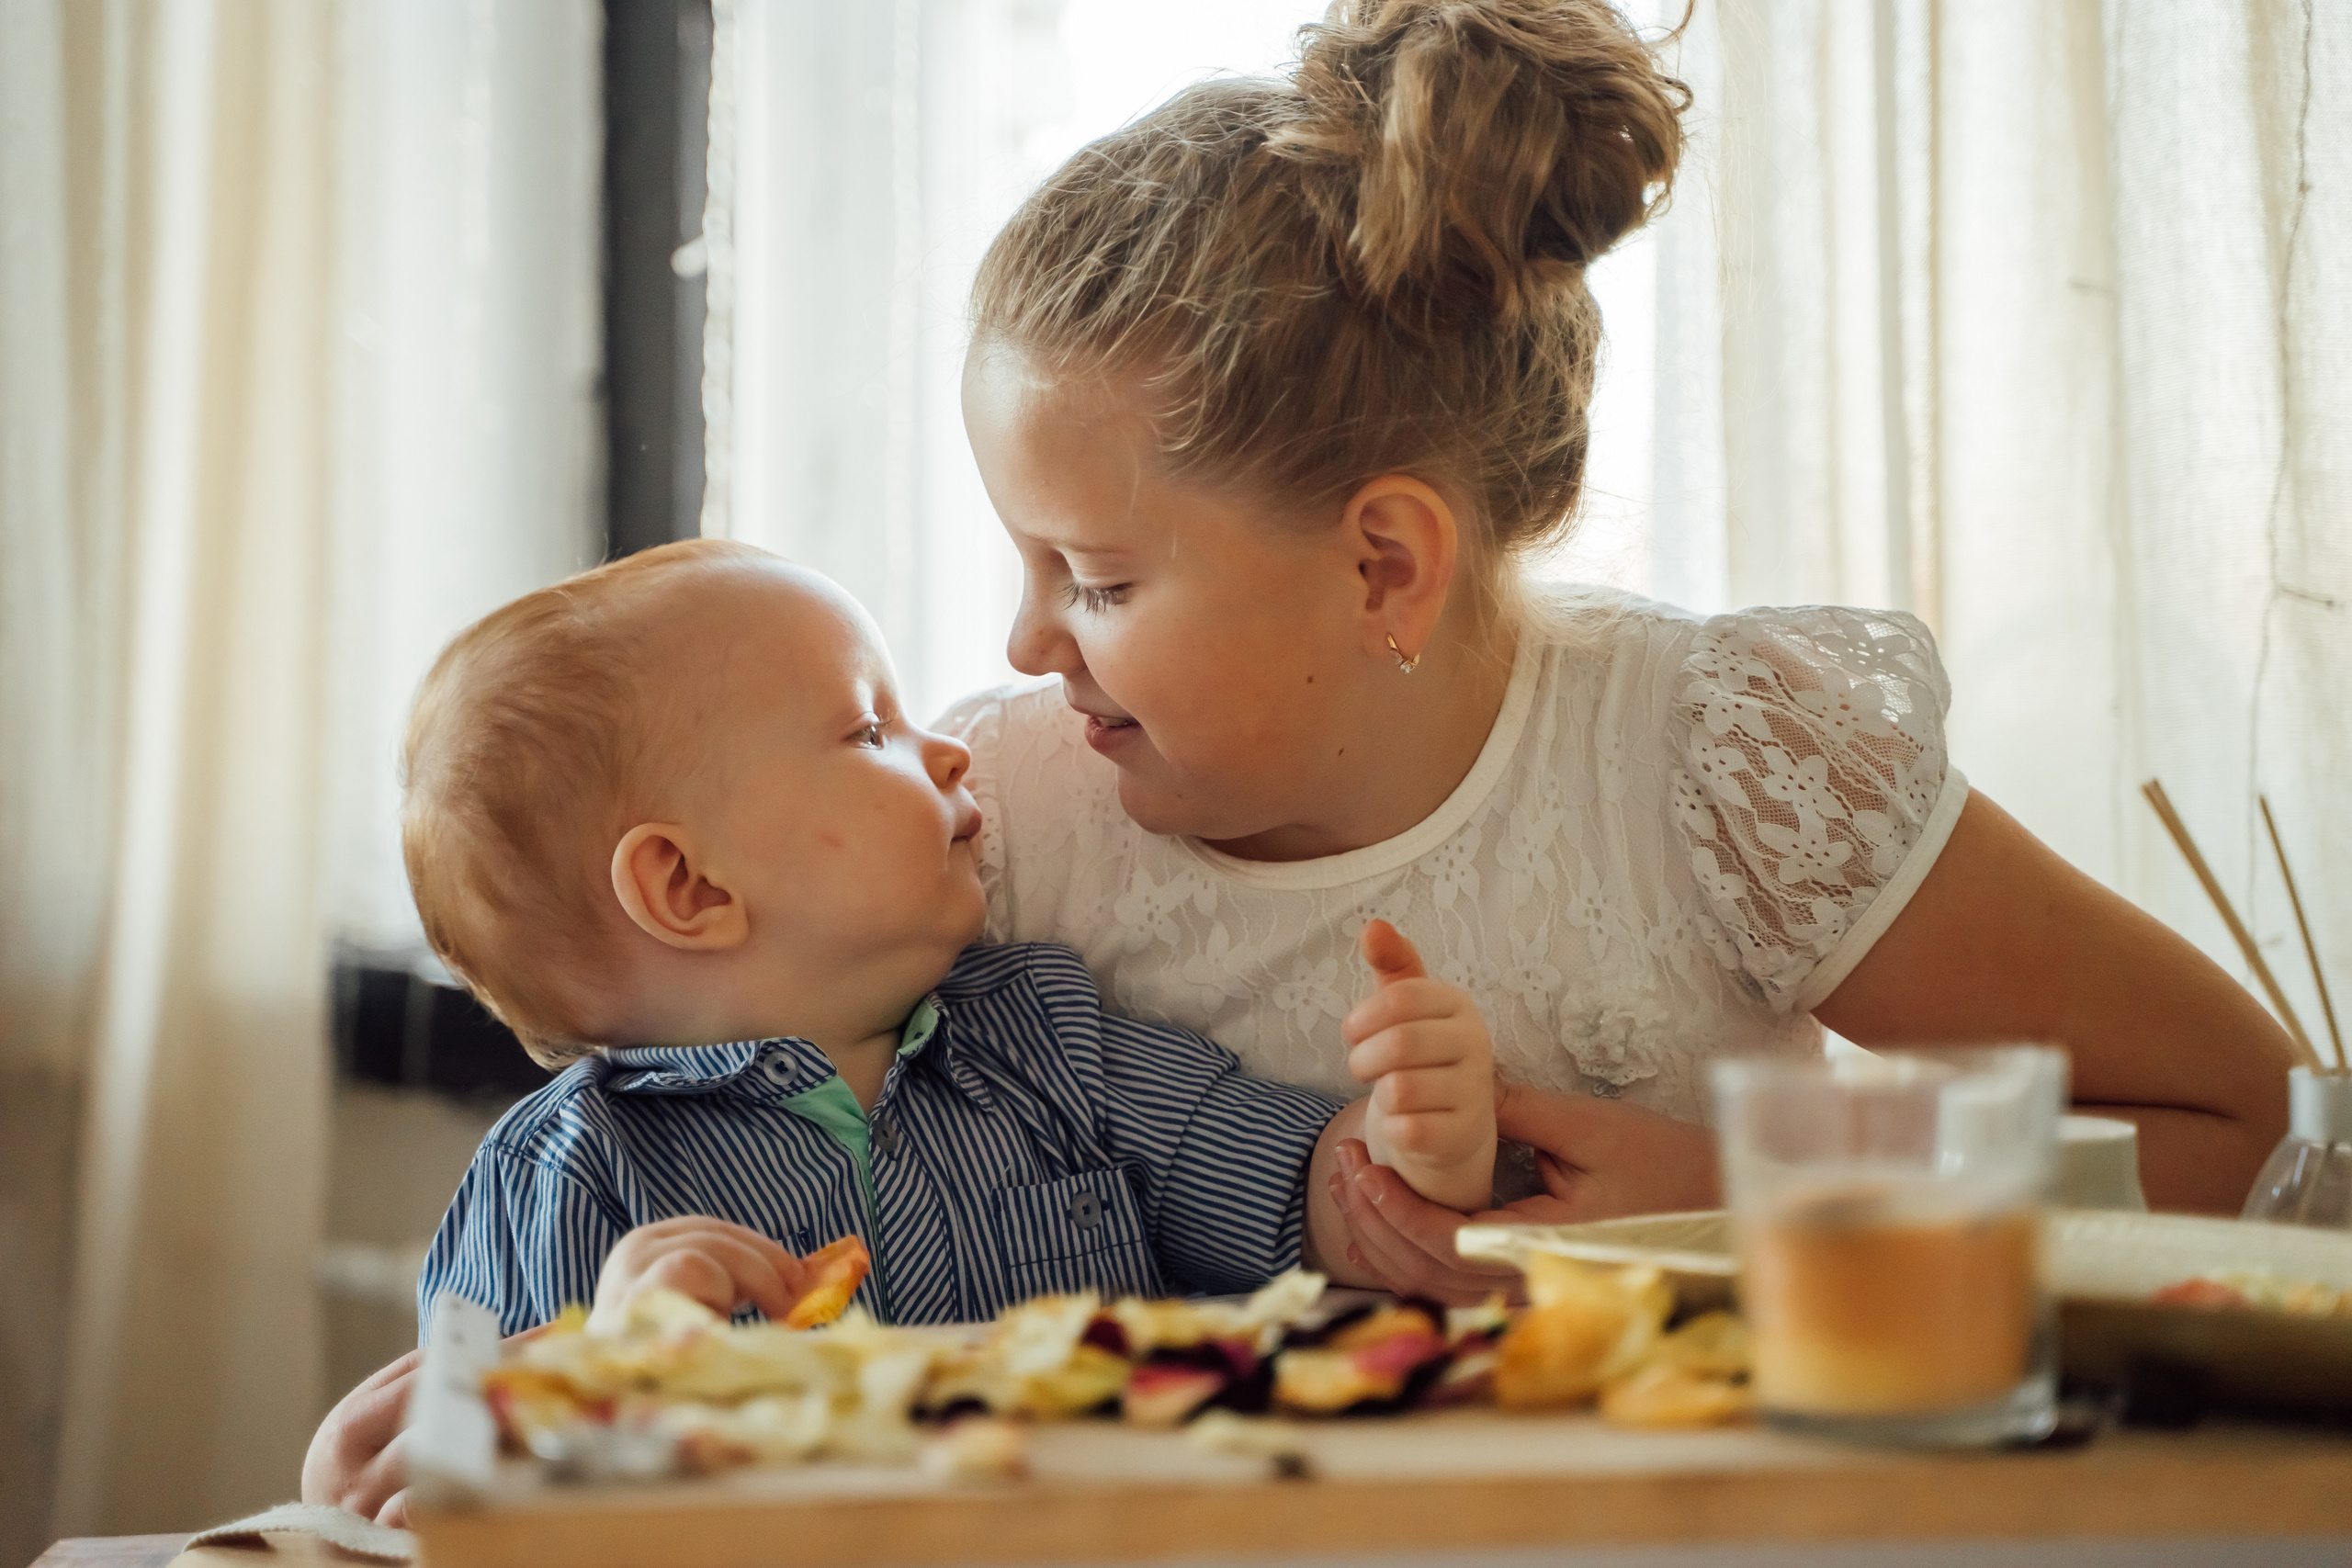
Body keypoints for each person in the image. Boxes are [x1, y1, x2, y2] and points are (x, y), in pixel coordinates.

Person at [307, 0, 2294, 1521]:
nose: (1010, 654)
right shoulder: (1005, 827)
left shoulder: (1713, 766)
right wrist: (497, 1381)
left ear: (1378, 560)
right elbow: (676, 1078)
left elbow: (2253, 1124)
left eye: (1087, 575)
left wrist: (1740, 1211)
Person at [402, 539, 1497, 1339]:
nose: (949, 753)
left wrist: (1412, 1135)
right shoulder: (567, 1176)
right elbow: (447, 1480)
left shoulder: (1052, 1043)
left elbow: (1313, 1204)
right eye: (870, 728)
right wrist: (619, 1366)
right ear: (688, 886)